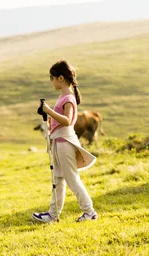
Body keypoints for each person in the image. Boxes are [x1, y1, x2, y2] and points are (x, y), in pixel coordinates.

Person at [32, 60, 98, 223]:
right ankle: (53, 214)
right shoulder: (64, 96)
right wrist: (47, 115)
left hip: (65, 142)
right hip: (58, 141)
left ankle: (89, 212)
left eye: (52, 78)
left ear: (61, 78)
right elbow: (59, 120)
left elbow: (68, 120)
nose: (51, 81)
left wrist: (48, 110)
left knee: (71, 178)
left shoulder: (68, 98)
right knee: (58, 179)